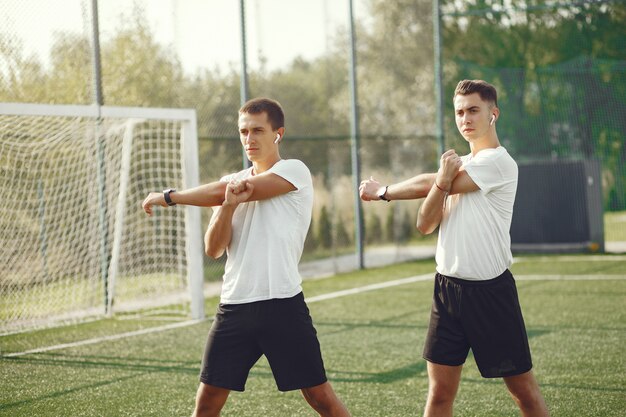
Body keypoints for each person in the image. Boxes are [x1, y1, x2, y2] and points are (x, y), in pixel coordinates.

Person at [142, 98, 350, 417]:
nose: (249, 139)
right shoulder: (229, 186)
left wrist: (170, 197)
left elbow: (241, 189)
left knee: (319, 396)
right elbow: (214, 249)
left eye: (257, 131)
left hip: (282, 305)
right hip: (234, 307)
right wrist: (226, 206)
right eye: (243, 132)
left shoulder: (294, 171)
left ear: (277, 134)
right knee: (208, 398)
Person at [359, 80, 549, 417]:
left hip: (491, 294)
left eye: (473, 110)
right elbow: (425, 223)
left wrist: (390, 190)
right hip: (447, 292)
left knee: (524, 394)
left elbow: (436, 183)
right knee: (440, 394)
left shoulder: (499, 163)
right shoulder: (454, 167)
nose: (465, 118)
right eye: (459, 112)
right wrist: (390, 190)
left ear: (494, 113)